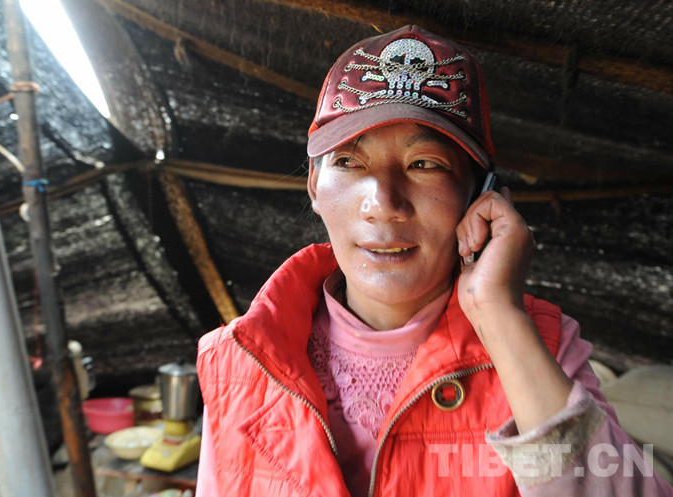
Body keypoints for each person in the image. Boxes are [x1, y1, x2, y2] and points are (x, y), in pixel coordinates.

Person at [194, 25, 673, 496]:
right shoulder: (241, 362)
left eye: (424, 164)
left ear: (480, 195)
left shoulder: (541, 349)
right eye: (349, 162)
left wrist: (497, 316)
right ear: (315, 186)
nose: (383, 203)